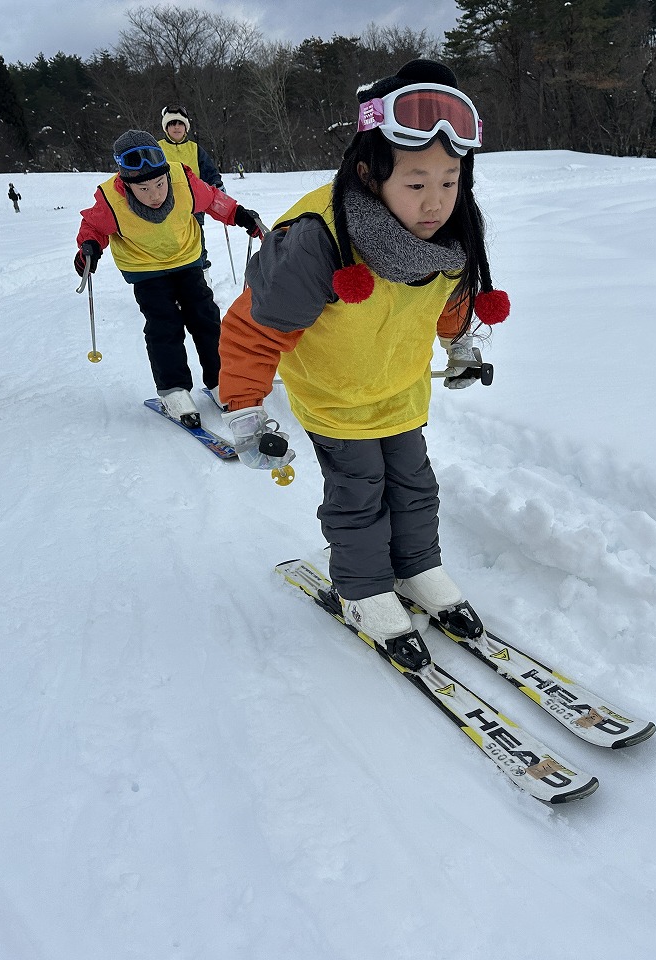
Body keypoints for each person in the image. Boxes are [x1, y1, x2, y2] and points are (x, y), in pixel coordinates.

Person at [217, 59, 510, 667]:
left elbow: (450, 297)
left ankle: (417, 569)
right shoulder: (317, 237)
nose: (436, 202)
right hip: (336, 399)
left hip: (400, 392)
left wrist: (459, 344)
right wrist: (245, 408)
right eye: (416, 183)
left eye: (450, 180)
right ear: (369, 173)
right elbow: (253, 327)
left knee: (415, 487)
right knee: (359, 495)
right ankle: (364, 590)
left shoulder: (453, 233)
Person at [73, 130, 261, 427]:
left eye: (160, 184)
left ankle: (220, 379)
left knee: (205, 316)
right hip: (144, 268)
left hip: (186, 258)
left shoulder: (182, 180)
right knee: (164, 324)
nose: (155, 194)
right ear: (126, 184)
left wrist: (238, 214)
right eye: (144, 189)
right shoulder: (111, 199)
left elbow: (213, 200)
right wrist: (89, 247)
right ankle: (173, 389)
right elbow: (93, 227)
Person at [158, 106, 224, 283]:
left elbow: (209, 171)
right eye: (172, 123)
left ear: (186, 127)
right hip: (166, 206)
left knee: (196, 242)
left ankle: (203, 277)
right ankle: (173, 281)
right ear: (166, 128)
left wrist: (216, 183)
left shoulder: (195, 149)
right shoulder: (157, 148)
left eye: (180, 123)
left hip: (194, 204)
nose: (176, 127)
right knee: (171, 244)